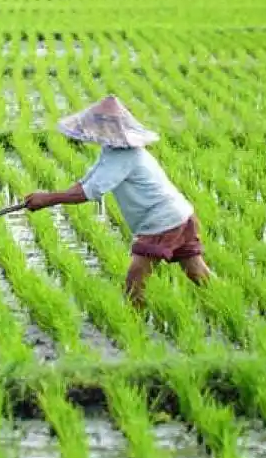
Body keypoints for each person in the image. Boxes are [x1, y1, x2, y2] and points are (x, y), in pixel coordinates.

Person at [23, 94, 212, 308]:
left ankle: (135, 320)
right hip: (180, 215)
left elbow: (90, 192)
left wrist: (47, 199)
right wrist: (47, 196)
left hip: (163, 221)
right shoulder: (111, 150)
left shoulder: (125, 155)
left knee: (135, 279)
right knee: (196, 271)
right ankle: (225, 301)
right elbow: (87, 182)